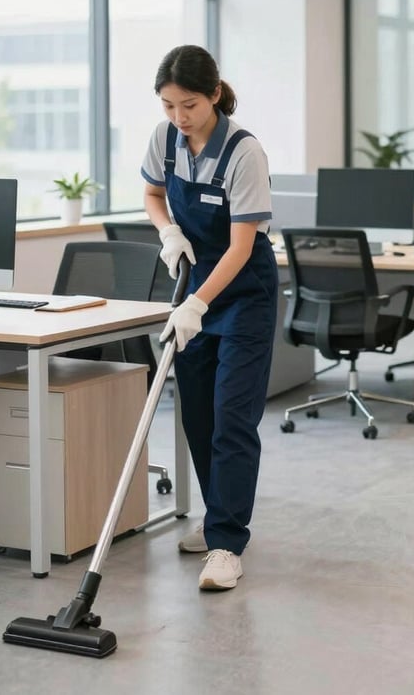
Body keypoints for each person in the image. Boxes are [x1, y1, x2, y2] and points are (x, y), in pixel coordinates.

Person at [141, 45, 278, 591]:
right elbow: (152, 193)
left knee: (233, 417)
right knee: (197, 414)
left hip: (243, 294)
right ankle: (216, 515)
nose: (179, 117)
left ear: (215, 94)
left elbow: (242, 246)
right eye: (169, 105)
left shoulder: (244, 152)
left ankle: (226, 543)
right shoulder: (165, 139)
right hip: (194, 288)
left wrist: (199, 303)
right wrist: (167, 231)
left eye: (190, 105)